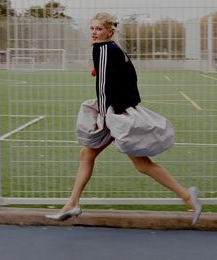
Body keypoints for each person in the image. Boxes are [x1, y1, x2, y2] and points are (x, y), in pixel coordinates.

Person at [46, 12, 202, 225]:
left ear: (109, 31)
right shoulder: (115, 50)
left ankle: (188, 197)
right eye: (92, 28)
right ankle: (72, 204)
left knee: (140, 164)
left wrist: (103, 115)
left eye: (98, 29)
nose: (94, 32)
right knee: (89, 154)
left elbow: (103, 87)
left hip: (115, 115)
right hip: (119, 111)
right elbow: (122, 77)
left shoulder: (101, 49)